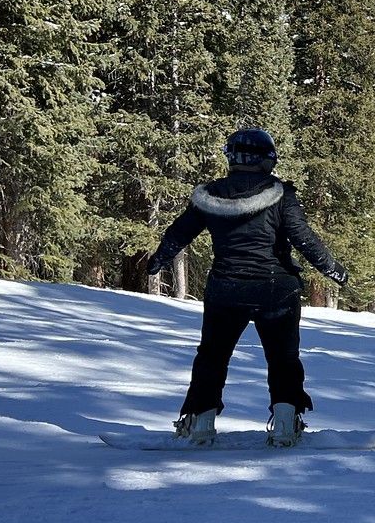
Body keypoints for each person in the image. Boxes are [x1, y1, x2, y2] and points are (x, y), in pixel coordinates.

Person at [147, 128, 346, 446]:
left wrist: (159, 258)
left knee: (212, 358)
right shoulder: (281, 194)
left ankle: (199, 424)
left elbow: (180, 231)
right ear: (268, 160)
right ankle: (285, 426)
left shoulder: (209, 195)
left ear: (232, 159)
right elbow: (303, 237)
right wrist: (332, 269)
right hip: (276, 290)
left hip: (225, 291)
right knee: (283, 359)